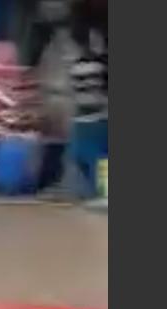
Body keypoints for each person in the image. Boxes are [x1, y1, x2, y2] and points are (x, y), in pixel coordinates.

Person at [68, 16, 108, 199]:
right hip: (95, 119)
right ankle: (103, 193)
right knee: (97, 158)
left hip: (87, 120)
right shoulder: (97, 64)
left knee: (89, 157)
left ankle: (102, 193)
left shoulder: (79, 66)